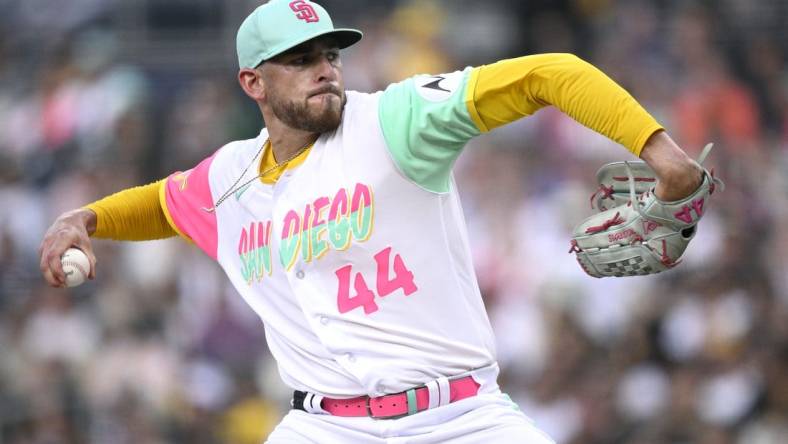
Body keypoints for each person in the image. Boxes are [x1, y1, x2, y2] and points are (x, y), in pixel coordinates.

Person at [39, 1, 703, 442]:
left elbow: (548, 74)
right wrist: (85, 219)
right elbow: (158, 203)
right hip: (325, 428)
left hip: (459, 417)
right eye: (300, 60)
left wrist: (659, 151)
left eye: (330, 54)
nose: (325, 70)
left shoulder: (394, 120)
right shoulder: (228, 178)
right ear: (253, 85)